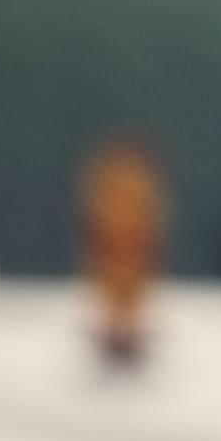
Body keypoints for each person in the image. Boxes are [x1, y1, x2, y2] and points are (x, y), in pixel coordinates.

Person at [79, 134, 165, 370]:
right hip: (115, 248)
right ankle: (118, 338)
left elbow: (149, 216)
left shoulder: (134, 177)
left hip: (129, 249)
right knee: (117, 297)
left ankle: (124, 338)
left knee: (127, 298)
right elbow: (97, 213)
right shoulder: (116, 176)